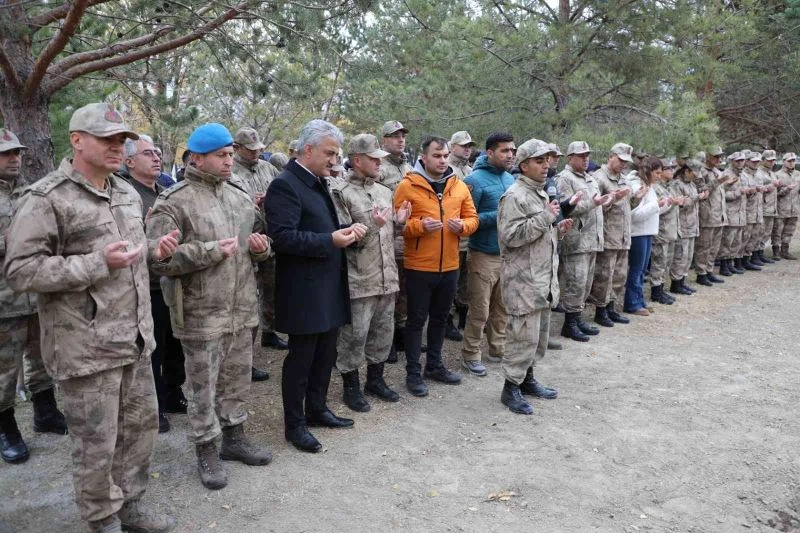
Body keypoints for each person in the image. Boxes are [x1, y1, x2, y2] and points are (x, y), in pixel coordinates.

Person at [4, 103, 175, 533]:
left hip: (134, 340)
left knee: (140, 432)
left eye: (122, 140)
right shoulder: (46, 198)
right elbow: (21, 271)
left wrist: (155, 252)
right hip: (86, 348)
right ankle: (102, 519)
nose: (119, 147)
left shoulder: (126, 192)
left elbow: (130, 259)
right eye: (108, 139)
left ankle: (131, 504)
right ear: (77, 140)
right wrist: (96, 263)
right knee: (97, 445)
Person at [147, 123, 273, 490]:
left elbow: (259, 241)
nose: (229, 161)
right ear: (197, 158)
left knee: (237, 378)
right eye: (221, 155)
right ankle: (205, 448)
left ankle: (234, 438)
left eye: (231, 155)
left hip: (241, 306)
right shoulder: (175, 201)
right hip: (200, 312)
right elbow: (156, 258)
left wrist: (263, 249)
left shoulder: (238, 193)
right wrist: (209, 251)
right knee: (201, 386)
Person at [264, 119, 367, 454]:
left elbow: (323, 227)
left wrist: (348, 232)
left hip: (328, 285)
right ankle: (295, 425)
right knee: (302, 359)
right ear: (307, 150)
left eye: (337, 153)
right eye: (329, 153)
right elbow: (282, 238)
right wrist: (330, 239)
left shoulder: (319, 181)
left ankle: (318, 409)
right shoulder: (286, 184)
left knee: (326, 354)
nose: (335, 160)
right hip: (304, 290)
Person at [0, 128, 67, 464]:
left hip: (36, 293)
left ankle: (46, 412)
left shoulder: (28, 195)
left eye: (17, 153)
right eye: (6, 153)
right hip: (3, 301)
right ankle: (6, 428)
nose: (14, 159)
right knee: (4, 369)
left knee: (42, 356)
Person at [393, 136, 479, 397]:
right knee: (416, 320)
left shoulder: (459, 186)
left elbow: (472, 219)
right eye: (436, 156)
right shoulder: (407, 186)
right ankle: (413, 372)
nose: (442, 161)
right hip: (420, 266)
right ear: (424, 157)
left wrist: (462, 227)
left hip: (450, 265)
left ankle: (434, 365)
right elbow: (398, 226)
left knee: (441, 318)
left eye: (444, 156)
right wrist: (420, 227)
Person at [331, 134, 410, 412]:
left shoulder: (384, 192)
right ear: (356, 160)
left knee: (383, 332)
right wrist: (374, 225)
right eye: (373, 158)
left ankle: (375, 380)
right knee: (355, 336)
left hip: (387, 277)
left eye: (379, 157)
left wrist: (398, 224)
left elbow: (387, 234)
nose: (379, 162)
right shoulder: (340, 192)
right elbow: (345, 238)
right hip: (360, 279)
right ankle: (350, 387)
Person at [497, 139, 568, 415]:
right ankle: (510, 387)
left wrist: (558, 229)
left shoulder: (539, 194)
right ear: (524, 165)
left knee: (537, 336)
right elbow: (510, 237)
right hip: (522, 281)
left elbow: (539, 236)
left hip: (541, 279)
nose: (546, 165)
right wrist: (545, 219)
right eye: (539, 161)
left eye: (547, 160)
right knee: (521, 337)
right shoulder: (515, 196)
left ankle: (526, 379)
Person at [121, 134, 187, 433]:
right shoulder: (125, 193)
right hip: (146, 287)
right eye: (148, 153)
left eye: (158, 153)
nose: (156, 157)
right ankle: (156, 405)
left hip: (171, 280)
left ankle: (174, 393)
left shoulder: (165, 191)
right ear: (130, 161)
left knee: (175, 345)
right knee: (153, 349)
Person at [231, 127, 289, 367]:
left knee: (272, 288)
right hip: (245, 240)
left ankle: (269, 332)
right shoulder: (230, 172)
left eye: (258, 150)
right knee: (248, 298)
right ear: (237, 148)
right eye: (250, 150)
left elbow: (283, 189)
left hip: (270, 238)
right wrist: (249, 203)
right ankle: (245, 358)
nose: (256, 154)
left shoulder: (268, 168)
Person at [459, 132, 516, 376]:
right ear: (490, 153)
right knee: (479, 310)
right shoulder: (474, 180)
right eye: (505, 150)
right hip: (482, 254)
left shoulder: (511, 179)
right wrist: (500, 215)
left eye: (512, 150)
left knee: (502, 307)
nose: (510, 155)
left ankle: (498, 348)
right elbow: (466, 219)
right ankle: (471, 354)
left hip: (507, 255)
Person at [555, 141, 613, 341]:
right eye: (581, 155)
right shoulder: (564, 178)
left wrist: (603, 204)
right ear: (570, 157)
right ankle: (569, 324)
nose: (585, 158)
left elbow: (593, 208)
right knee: (575, 282)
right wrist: (592, 203)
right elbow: (567, 209)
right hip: (576, 240)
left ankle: (577, 318)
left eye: (587, 155)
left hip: (592, 238)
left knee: (586, 282)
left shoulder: (589, 178)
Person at [378, 120, 415, 361]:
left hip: (409, 238)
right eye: (394, 136)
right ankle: (386, 339)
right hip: (387, 238)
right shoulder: (379, 167)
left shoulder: (409, 167)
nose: (400, 139)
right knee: (389, 290)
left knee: (405, 290)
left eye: (402, 135)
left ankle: (402, 332)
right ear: (384, 140)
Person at [588, 143, 634, 327]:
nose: (623, 164)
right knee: (604, 276)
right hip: (607, 234)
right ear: (610, 156)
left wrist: (636, 197)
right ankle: (600, 310)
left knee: (619, 275)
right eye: (621, 160)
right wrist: (612, 200)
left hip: (623, 234)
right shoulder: (598, 178)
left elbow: (629, 206)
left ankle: (611, 307)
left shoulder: (624, 179)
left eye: (626, 162)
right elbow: (593, 208)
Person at [446, 130, 477, 340]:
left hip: (469, 234)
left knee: (466, 281)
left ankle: (463, 317)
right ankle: (447, 321)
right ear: (452, 146)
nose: (467, 149)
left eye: (470, 146)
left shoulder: (470, 169)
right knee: (450, 281)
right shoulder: (446, 169)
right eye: (463, 145)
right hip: (451, 235)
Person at [624, 156, 663, 316]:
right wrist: (656, 205)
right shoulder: (637, 185)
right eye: (657, 172)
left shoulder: (649, 185)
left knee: (641, 270)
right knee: (636, 269)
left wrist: (663, 204)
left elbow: (652, 211)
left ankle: (639, 300)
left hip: (647, 232)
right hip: (638, 233)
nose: (659, 176)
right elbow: (634, 214)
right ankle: (632, 303)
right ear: (649, 171)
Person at [668, 160, 707, 294]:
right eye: (694, 173)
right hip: (682, 226)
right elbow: (682, 203)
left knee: (689, 256)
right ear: (687, 171)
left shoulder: (692, 184)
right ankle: (675, 283)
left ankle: (682, 281)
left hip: (692, 225)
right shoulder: (677, 184)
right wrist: (697, 197)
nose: (696, 176)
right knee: (680, 256)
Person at [694, 147, 730, 285]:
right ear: (708, 156)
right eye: (716, 156)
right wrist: (718, 182)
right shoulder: (701, 171)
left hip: (719, 214)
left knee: (714, 246)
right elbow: (701, 190)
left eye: (720, 156)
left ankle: (709, 271)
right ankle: (701, 273)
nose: (718, 159)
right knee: (704, 246)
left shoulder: (716, 171)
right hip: (707, 215)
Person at [649, 159, 682, 305]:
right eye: (669, 168)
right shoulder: (655, 187)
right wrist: (671, 202)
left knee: (666, 262)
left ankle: (661, 289)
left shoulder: (668, 187)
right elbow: (656, 209)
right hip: (661, 230)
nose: (672, 171)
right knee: (659, 262)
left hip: (670, 230)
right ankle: (656, 291)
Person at [719, 152, 746, 275]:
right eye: (738, 160)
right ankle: (724, 265)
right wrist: (737, 193)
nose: (741, 162)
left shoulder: (742, 174)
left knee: (736, 241)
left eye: (742, 160)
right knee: (727, 241)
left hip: (741, 213)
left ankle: (730, 263)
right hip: (730, 213)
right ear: (732, 161)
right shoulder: (726, 174)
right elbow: (721, 194)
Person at [773, 152, 799, 260]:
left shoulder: (798, 174)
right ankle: (776, 251)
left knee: (789, 231)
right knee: (777, 231)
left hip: (794, 208)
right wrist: (787, 189)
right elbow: (775, 194)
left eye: (793, 161)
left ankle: (785, 250)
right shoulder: (777, 175)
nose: (791, 163)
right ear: (784, 161)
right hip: (781, 208)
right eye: (789, 161)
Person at [756, 150, 780, 262]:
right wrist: (770, 186)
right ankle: (755, 255)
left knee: (767, 233)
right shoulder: (758, 173)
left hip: (772, 207)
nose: (772, 162)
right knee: (760, 233)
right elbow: (757, 189)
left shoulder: (772, 173)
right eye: (769, 160)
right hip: (763, 207)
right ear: (763, 160)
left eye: (773, 160)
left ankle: (761, 254)